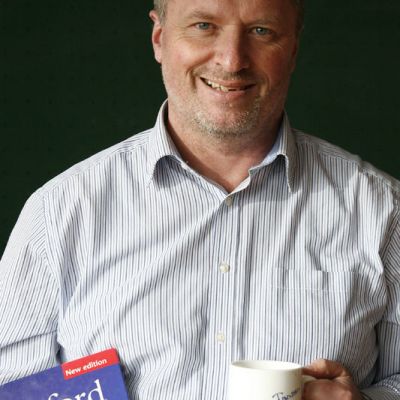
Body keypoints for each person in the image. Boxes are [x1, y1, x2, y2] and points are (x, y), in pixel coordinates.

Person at [0, 0, 399, 398]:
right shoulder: (59, 214)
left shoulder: (384, 212)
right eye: (204, 26)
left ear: (292, 50)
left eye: (261, 31)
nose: (231, 60)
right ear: (160, 38)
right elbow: (11, 388)